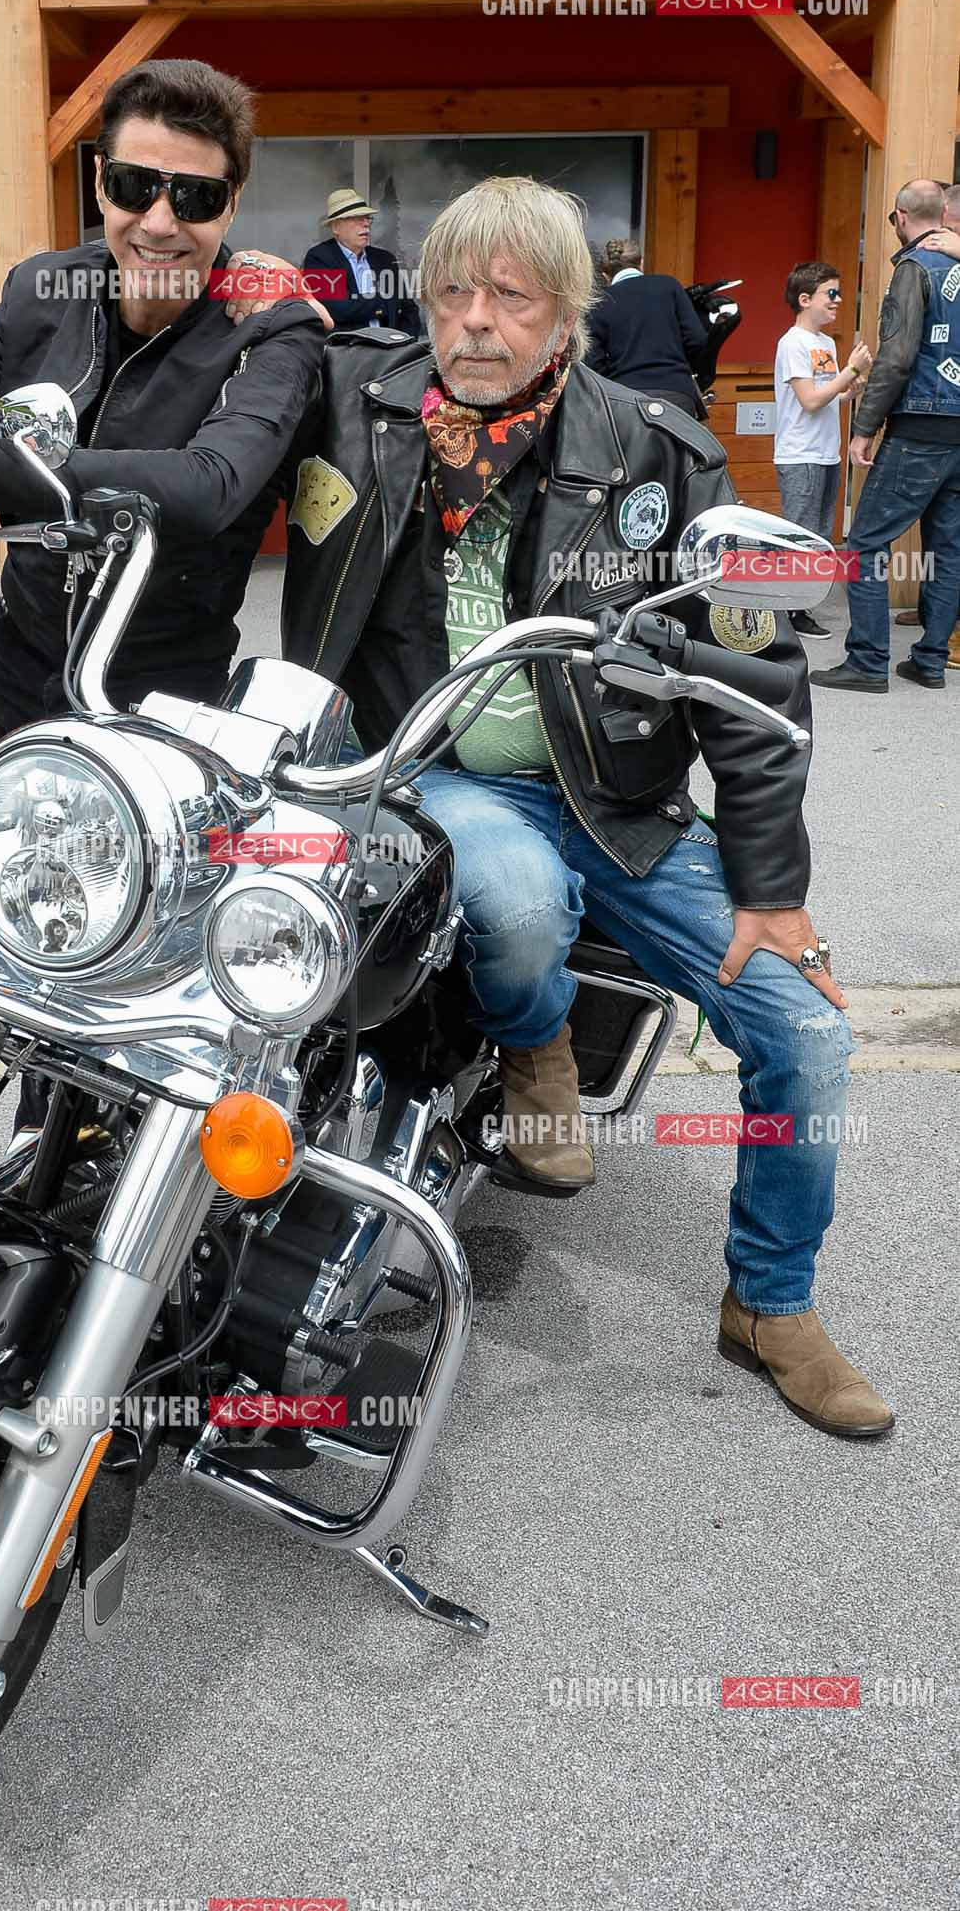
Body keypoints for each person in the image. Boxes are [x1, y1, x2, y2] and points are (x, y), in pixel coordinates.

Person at [284, 174, 889, 1441]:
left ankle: (769, 1306)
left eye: (511, 296)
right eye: (452, 290)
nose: (475, 322)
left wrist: (772, 893)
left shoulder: (657, 449)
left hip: (622, 808)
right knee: (508, 891)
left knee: (811, 1035)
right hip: (432, 776)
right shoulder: (358, 404)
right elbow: (203, 429)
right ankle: (535, 1048)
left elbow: (754, 678)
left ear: (566, 317)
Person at [0, 58, 327, 730]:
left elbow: (207, 486)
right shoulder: (40, 291)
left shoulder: (273, 326)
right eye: (134, 186)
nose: (160, 223)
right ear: (100, 183)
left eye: (194, 198)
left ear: (232, 204)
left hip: (166, 694)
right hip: (25, 661)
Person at [811, 180, 960, 692]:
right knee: (950, 547)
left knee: (864, 542)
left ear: (898, 217)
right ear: (942, 211)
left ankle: (868, 661)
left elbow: (896, 358)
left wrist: (864, 428)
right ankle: (931, 660)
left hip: (920, 425)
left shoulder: (914, 269)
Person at [772, 261, 871, 639]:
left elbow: (827, 396)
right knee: (799, 540)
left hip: (826, 453)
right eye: (831, 293)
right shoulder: (793, 342)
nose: (838, 300)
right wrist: (849, 371)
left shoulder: (825, 344)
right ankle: (785, 614)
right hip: (801, 456)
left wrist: (851, 389)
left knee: (818, 539)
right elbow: (810, 400)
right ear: (804, 299)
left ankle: (798, 609)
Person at [584, 236, 709, 419]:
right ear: (641, 263)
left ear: (605, 274)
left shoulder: (599, 303)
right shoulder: (669, 286)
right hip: (677, 394)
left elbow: (593, 364)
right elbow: (697, 339)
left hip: (626, 401)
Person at [302, 189, 421, 339]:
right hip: (348, 351)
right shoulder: (320, 258)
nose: (366, 224)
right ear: (335, 227)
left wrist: (405, 343)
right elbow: (340, 310)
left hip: (392, 350)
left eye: (367, 218)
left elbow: (408, 309)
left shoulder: (384, 259)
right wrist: (385, 303)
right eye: (357, 218)